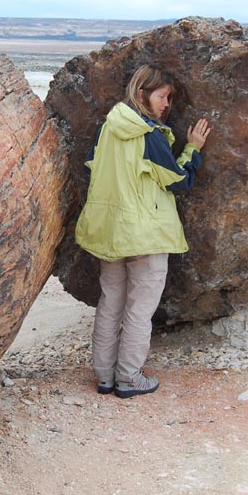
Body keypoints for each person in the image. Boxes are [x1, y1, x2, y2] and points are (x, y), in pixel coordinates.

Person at [75, 64, 212, 398]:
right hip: (146, 235)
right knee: (139, 311)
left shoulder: (107, 128)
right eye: (162, 96)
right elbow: (179, 180)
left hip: (111, 233)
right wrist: (192, 148)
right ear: (141, 94)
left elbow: (93, 164)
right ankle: (129, 378)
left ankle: (105, 377)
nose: (166, 104)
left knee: (110, 305)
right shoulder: (148, 134)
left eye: (168, 99)